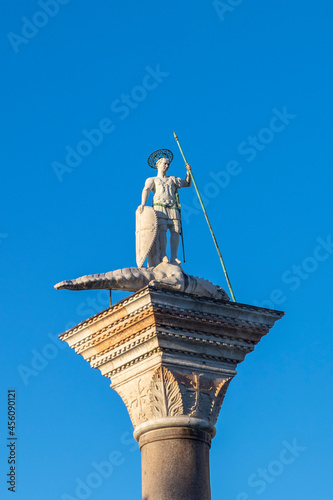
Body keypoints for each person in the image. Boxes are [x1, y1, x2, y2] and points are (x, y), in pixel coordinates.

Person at [138, 152, 191, 266]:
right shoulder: (152, 180)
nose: (167, 166)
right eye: (164, 164)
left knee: (176, 230)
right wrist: (143, 203)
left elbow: (187, 183)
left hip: (173, 206)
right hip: (159, 206)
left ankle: (174, 257)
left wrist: (188, 172)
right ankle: (163, 254)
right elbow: (146, 190)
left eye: (168, 164)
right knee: (162, 229)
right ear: (158, 165)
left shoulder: (172, 179)